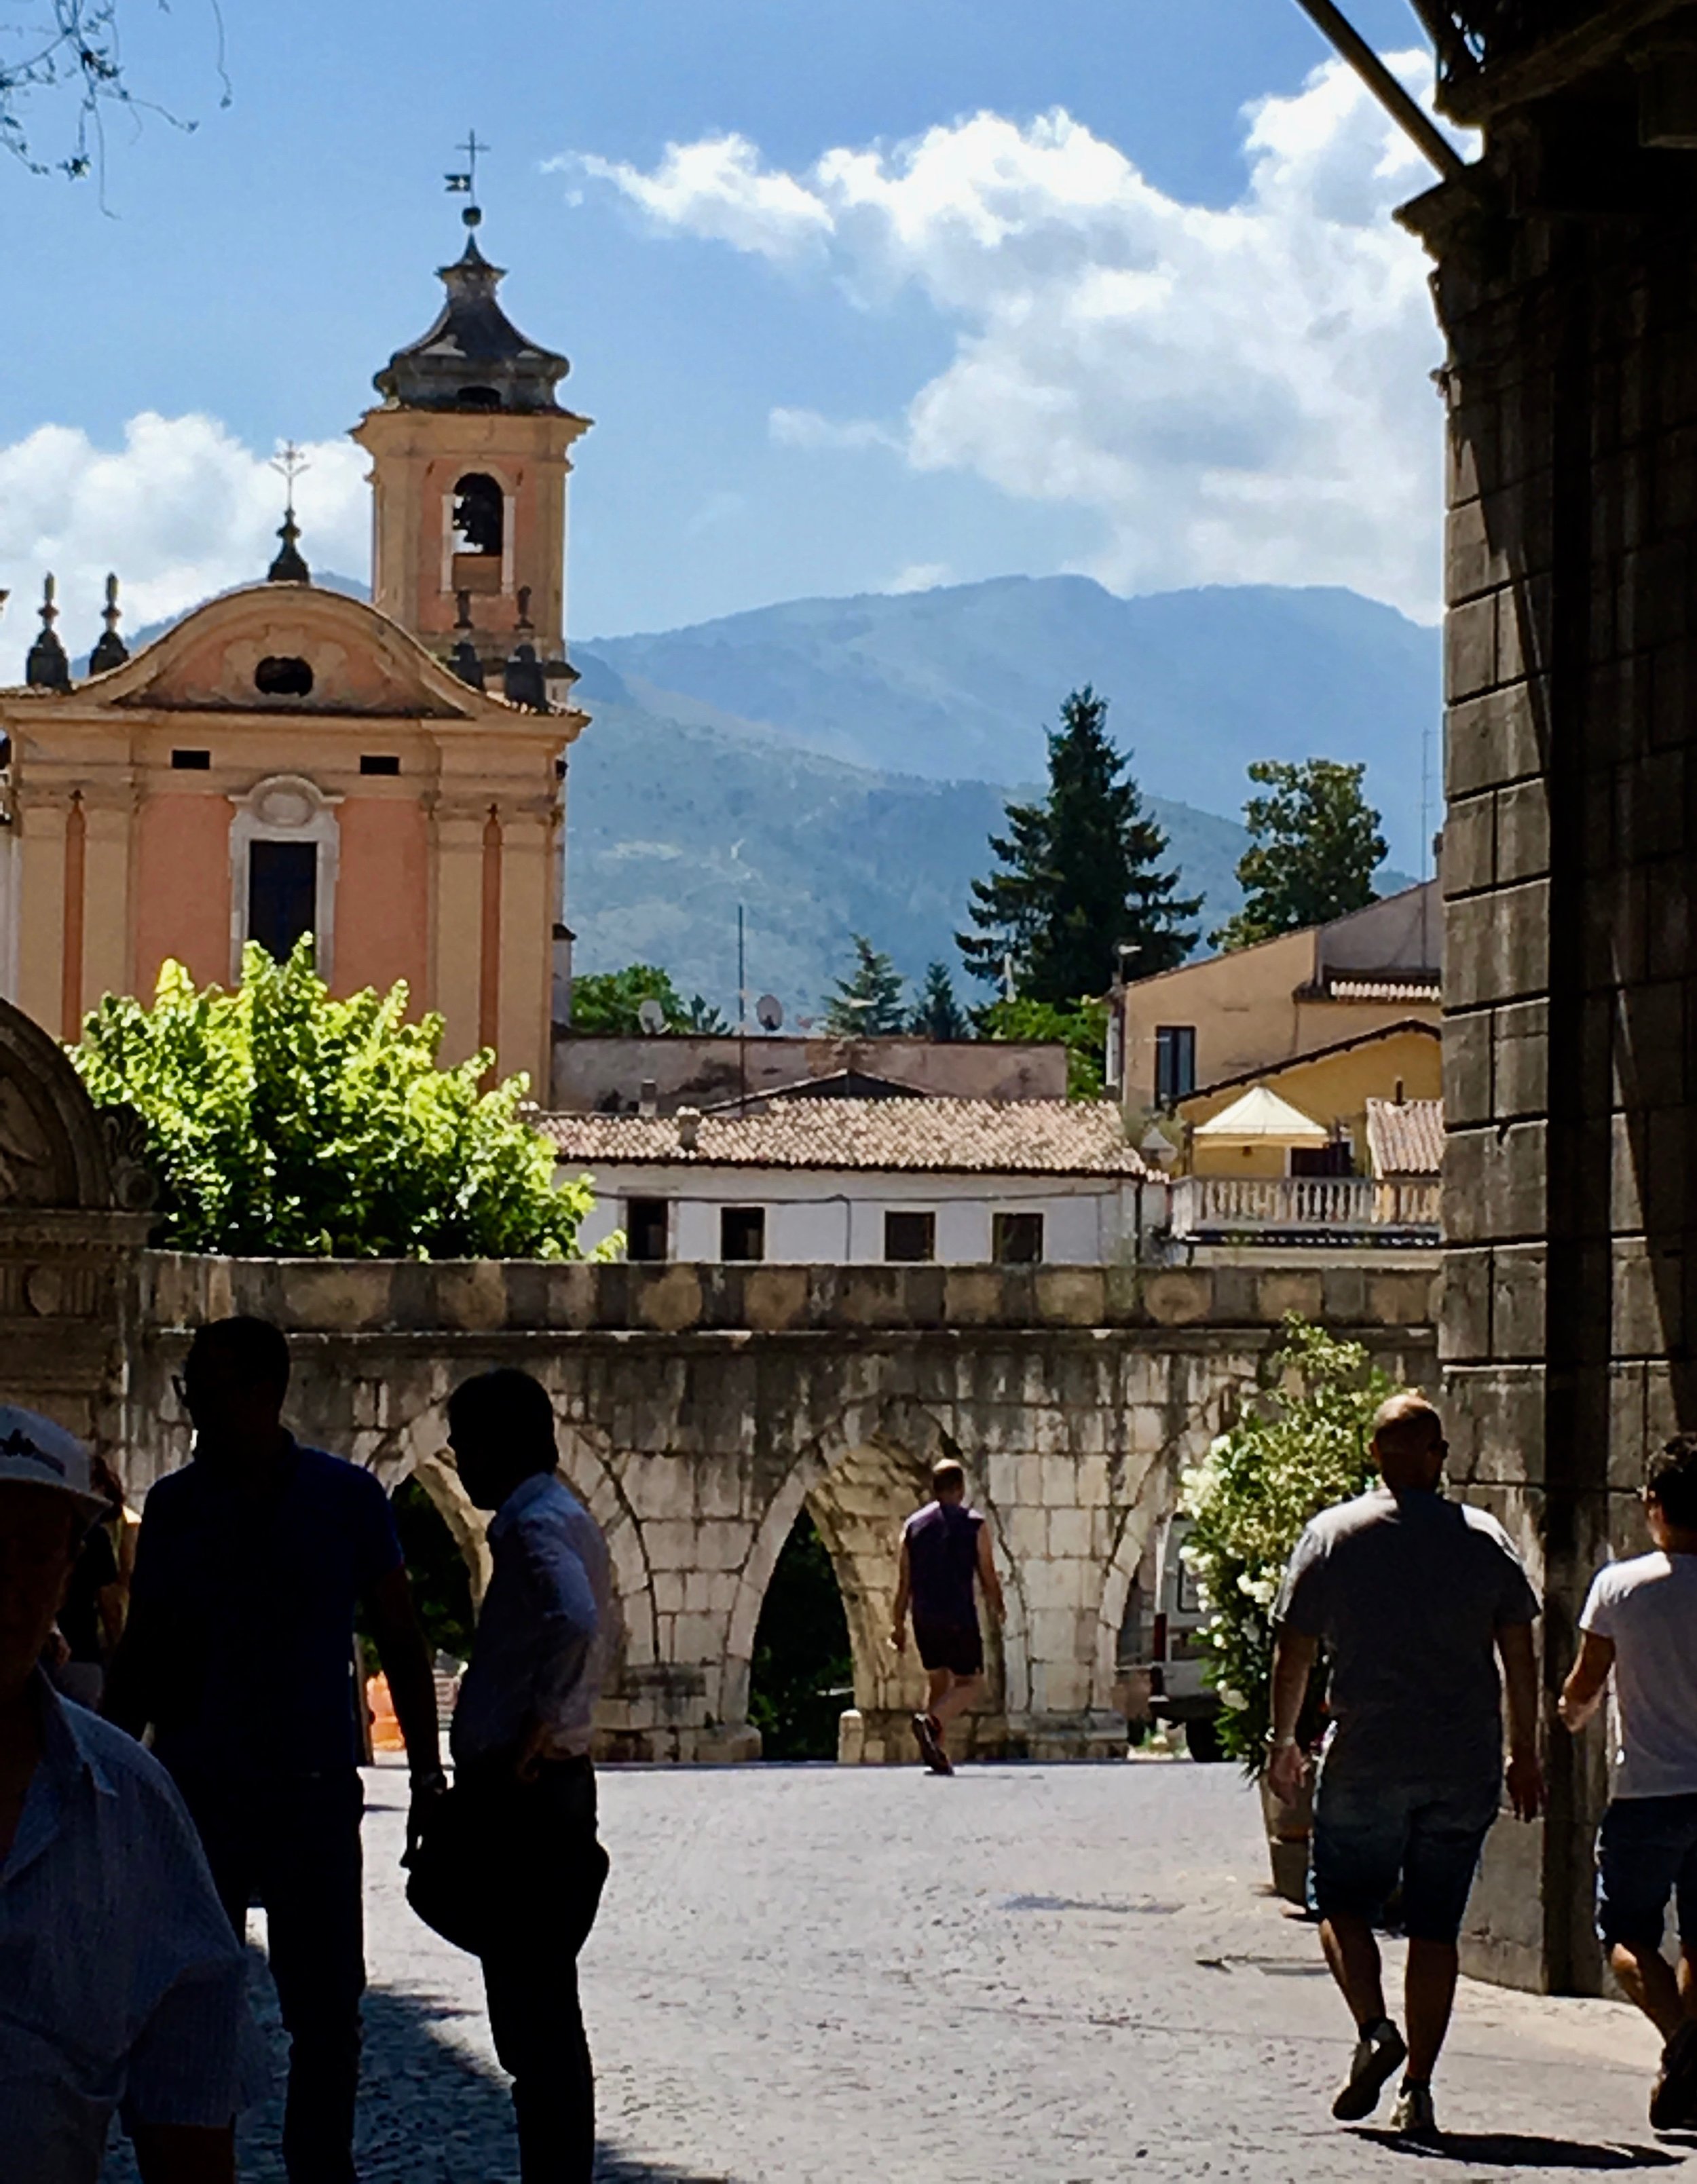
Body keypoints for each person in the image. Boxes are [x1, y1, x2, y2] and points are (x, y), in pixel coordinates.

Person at [103, 1316, 445, 2184]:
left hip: (306, 1788)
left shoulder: (343, 1499)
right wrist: (99, 1768)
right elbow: (143, 1652)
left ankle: (318, 2167)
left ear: (262, 1390)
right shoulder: (183, 1505)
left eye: (204, 1391)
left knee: (327, 2007)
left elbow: (402, 1638)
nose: (193, 1410)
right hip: (205, 1790)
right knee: (193, 1996)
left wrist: (429, 1772)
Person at [1266, 1393, 1544, 2143]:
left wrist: (1281, 1740)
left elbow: (1294, 1645)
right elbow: (1519, 1652)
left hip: (1368, 1754)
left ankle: (1372, 2027)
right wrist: (1526, 1751)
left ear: (1371, 1455)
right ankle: (1417, 2087)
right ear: (1438, 1455)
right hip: (1463, 1761)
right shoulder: (1485, 1539)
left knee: (1340, 1901)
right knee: (1434, 1926)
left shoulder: (1332, 1534)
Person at [0, 1402, 248, 2184]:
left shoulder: (132, 1805)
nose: (0, 1584)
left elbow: (191, 2117)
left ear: (67, 1570)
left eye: (30, 1552)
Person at [445, 1366, 613, 2184]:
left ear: (493, 1445)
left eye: (462, 1440)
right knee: (544, 2003)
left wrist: (540, 1721)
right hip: (549, 1787)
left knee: (533, 2008)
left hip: (526, 1794)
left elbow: (574, 1616)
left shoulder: (530, 1524)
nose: (455, 1457)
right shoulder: (564, 1512)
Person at [1560, 1431, 1697, 2129]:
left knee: (1625, 1934)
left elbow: (1582, 1690)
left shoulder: (1620, 1586)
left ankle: (1686, 2043)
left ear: (1653, 1505)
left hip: (1647, 1791)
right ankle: (1686, 2075)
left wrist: (1568, 1713)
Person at [890, 1455, 1005, 1776]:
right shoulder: (974, 1524)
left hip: (924, 1617)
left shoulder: (912, 1527)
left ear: (934, 1488)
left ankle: (935, 1750)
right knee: (970, 1682)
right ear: (960, 1488)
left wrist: (897, 1624)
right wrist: (998, 1605)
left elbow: (904, 1583)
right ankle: (932, 1722)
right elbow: (987, 1573)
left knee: (938, 1680)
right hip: (958, 1615)